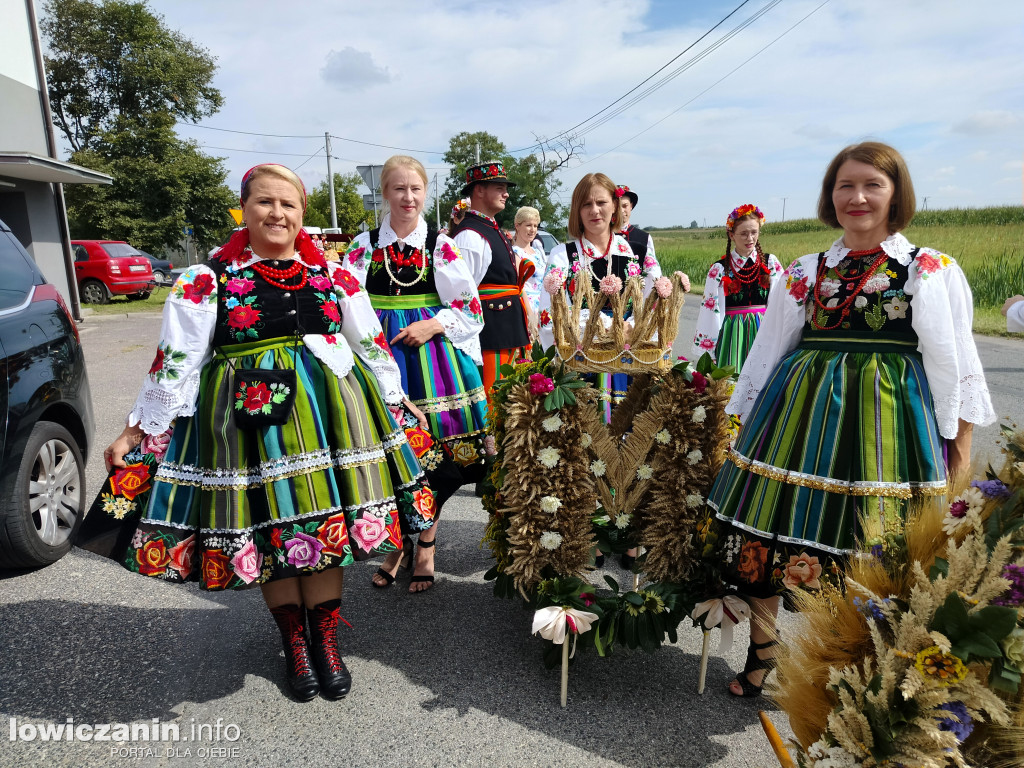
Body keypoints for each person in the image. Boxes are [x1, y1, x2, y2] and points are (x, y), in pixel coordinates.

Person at [102, 163, 434, 703]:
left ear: (302, 213)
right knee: (272, 532)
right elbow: (176, 361)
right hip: (248, 426)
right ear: (245, 209)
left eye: (289, 204)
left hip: (331, 423)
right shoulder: (208, 279)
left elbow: (370, 342)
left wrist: (397, 400)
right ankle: (294, 643)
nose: (277, 213)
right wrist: (136, 430)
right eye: (264, 202)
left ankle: (324, 641)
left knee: (325, 531)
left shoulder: (333, 275)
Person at [703, 142, 997, 698]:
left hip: (889, 433)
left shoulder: (927, 268)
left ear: (896, 195)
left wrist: (957, 451)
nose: (856, 197)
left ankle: (856, 682)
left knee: (879, 557)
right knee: (763, 545)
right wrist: (743, 417)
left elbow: (952, 366)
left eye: (872, 185)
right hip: (797, 424)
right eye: (845, 186)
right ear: (829, 196)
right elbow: (769, 350)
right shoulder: (803, 270)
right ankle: (764, 656)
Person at [345, 156, 488, 593]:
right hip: (378, 354)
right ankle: (397, 543)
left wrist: (433, 323)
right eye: (399, 189)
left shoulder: (440, 245)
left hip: (431, 360)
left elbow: (469, 307)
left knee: (439, 456)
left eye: (416, 190)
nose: (408, 198)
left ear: (426, 194)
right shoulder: (363, 245)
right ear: (384, 193)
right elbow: (342, 303)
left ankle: (425, 542)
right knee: (393, 454)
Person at [539, 173, 662, 570]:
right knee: (585, 447)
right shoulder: (564, 255)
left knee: (631, 444)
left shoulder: (636, 250)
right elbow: (552, 311)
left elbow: (656, 298)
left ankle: (627, 536)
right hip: (582, 368)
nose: (595, 211)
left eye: (602, 203)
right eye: (587, 204)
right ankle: (588, 536)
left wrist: (642, 323)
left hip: (627, 367)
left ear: (615, 207)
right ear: (578, 210)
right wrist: (606, 326)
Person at [450, 162, 532, 400]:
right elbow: (463, 298)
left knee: (512, 402)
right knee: (494, 400)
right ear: (479, 191)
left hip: (507, 331)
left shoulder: (489, 228)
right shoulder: (470, 236)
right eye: (499, 187)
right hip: (490, 337)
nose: (506, 193)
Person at [691, 204, 784, 372]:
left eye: (754, 232)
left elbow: (780, 302)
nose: (750, 238)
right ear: (731, 235)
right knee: (731, 381)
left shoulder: (771, 263)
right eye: (743, 233)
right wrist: (709, 350)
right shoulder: (719, 269)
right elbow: (710, 311)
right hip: (732, 333)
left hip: (763, 330)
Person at [512, 205, 546, 330]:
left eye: (535, 226)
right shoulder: (515, 253)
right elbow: (520, 287)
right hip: (528, 306)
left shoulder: (536, 252)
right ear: (517, 226)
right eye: (528, 225)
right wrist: (530, 314)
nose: (532, 230)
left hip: (544, 305)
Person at [615, 185, 658, 275]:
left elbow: (652, 272)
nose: (621, 210)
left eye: (625, 206)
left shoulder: (644, 238)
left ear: (631, 206)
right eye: (617, 206)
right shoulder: (602, 236)